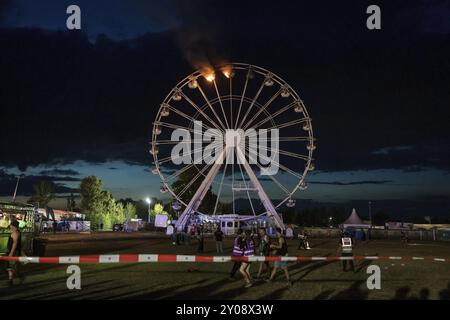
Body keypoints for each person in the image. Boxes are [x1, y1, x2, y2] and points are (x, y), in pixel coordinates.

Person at [6, 220, 25, 287]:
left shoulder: (16, 233)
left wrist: (11, 253)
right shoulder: (15, 232)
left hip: (13, 252)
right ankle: (11, 280)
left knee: (11, 267)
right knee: (10, 267)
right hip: (12, 252)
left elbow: (15, 243)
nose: (10, 226)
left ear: (13, 226)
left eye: (11, 225)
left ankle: (19, 276)